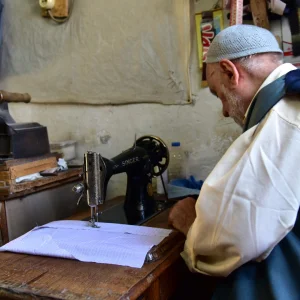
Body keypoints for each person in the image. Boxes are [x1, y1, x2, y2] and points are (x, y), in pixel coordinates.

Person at [168, 24, 300, 299]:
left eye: (219, 95)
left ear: (231, 73)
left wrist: (192, 226)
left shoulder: (287, 117)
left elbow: (236, 239)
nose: (226, 111)